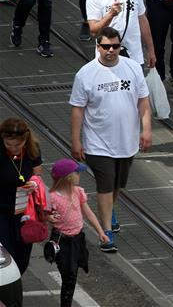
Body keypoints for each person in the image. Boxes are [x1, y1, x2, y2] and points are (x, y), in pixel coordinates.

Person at [69, 27, 152, 253]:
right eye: (106, 46)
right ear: (98, 47)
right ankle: (105, 232)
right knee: (105, 185)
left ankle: (110, 210)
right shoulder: (86, 74)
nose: (111, 50)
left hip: (126, 141)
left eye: (115, 46)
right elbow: (77, 110)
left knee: (117, 184)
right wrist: (76, 141)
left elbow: (143, 102)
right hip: (97, 142)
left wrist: (146, 130)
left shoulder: (133, 68)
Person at [47, 159, 107, 307]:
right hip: (63, 240)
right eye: (77, 172)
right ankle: (66, 303)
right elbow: (43, 215)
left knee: (72, 273)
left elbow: (89, 213)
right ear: (69, 177)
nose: (80, 174)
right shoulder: (53, 197)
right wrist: (49, 217)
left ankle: (66, 300)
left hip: (78, 239)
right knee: (69, 275)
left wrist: (101, 231)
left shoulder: (78, 192)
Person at [0, 118, 42, 272]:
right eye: (8, 144)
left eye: (17, 144)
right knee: (7, 252)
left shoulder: (33, 149)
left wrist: (34, 183)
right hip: (2, 208)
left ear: (25, 139)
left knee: (22, 256)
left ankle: (14, 283)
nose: (13, 148)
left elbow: (37, 173)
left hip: (24, 209)